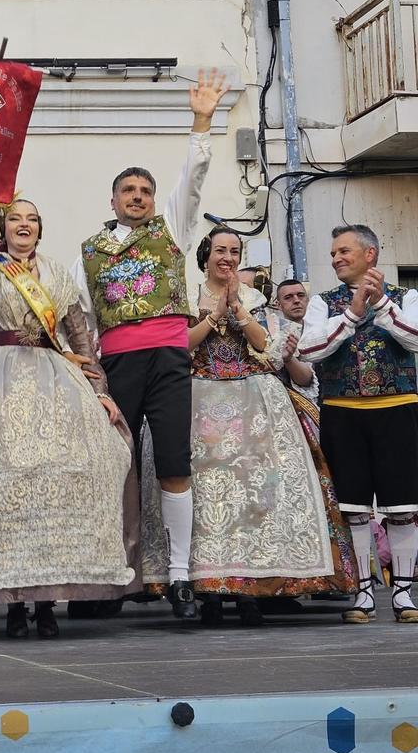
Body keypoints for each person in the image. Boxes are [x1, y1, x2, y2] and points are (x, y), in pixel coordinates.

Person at [72, 68, 229, 620]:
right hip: (115, 361)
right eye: (129, 191)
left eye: (145, 191)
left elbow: (195, 172)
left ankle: (182, 578)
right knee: (113, 466)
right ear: (112, 198)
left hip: (167, 357)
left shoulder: (173, 227)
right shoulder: (87, 251)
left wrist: (202, 119)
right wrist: (88, 373)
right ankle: (111, 578)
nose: (138, 197)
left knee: (173, 463)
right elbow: (79, 319)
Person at [0, 199, 138, 639]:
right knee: (7, 484)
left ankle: (48, 601)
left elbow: (80, 340)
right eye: (16, 218)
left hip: (56, 380)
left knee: (54, 484)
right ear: (3, 227)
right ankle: (14, 604)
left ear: (40, 229)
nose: (24, 224)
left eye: (31, 218)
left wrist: (100, 392)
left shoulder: (57, 275)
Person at [140, 227, 355, 624]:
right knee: (204, 498)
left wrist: (238, 310)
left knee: (254, 495)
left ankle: (250, 591)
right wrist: (214, 317)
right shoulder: (185, 294)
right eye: (221, 250)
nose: (228, 257)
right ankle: (208, 592)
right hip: (198, 398)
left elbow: (265, 349)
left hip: (249, 398)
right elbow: (180, 345)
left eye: (234, 251)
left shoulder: (254, 297)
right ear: (206, 254)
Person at [299, 224, 418, 624]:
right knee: (353, 508)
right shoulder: (322, 302)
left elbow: (416, 339)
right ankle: (363, 592)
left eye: (344, 251)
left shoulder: (407, 297)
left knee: (403, 507)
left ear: (370, 254)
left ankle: (403, 593)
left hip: (397, 408)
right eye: (333, 253)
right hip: (342, 410)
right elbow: (310, 349)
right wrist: (352, 314)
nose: (336, 258)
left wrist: (382, 304)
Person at [272, 278, 318, 401]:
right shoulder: (271, 335)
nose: (296, 300)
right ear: (278, 305)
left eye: (301, 295)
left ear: (307, 300)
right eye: (288, 297)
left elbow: (307, 379)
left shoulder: (321, 330)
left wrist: (289, 359)